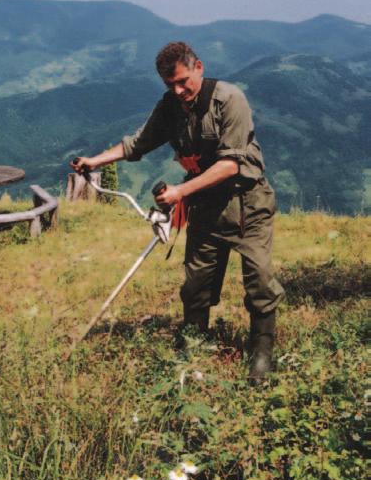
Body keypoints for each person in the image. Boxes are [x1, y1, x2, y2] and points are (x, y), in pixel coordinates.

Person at [71, 41, 284, 382]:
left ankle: (261, 353)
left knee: (258, 281)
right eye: (170, 84)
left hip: (246, 206)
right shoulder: (170, 106)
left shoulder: (229, 100)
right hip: (204, 208)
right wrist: (94, 160)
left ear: (199, 66)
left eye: (183, 81)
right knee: (196, 283)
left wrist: (180, 191)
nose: (179, 90)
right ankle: (193, 347)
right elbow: (137, 143)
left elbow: (230, 165)